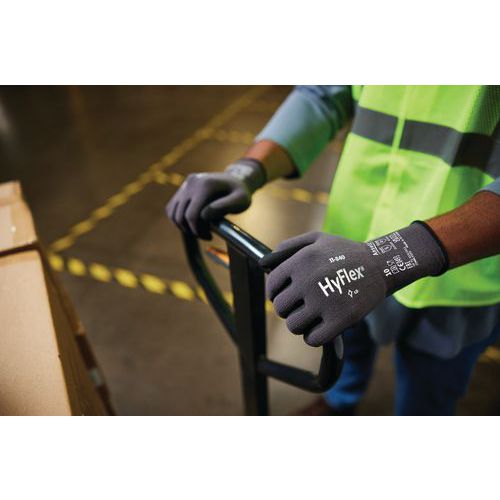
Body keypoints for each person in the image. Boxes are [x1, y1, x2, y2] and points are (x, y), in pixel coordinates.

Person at [166, 86, 500, 416]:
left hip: (458, 270)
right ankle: (339, 401)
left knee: (430, 385)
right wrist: (248, 169)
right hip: (348, 241)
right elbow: (323, 95)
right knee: (347, 346)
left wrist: (390, 256)